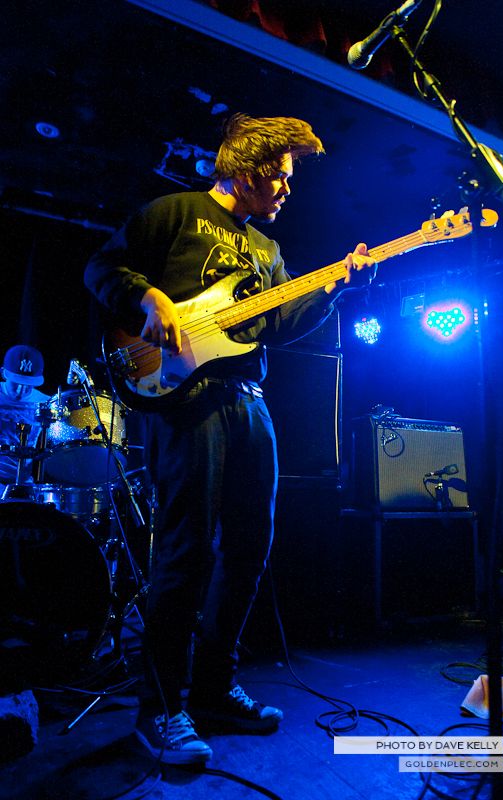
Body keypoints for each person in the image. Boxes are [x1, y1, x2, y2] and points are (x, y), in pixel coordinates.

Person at [84, 113, 377, 765]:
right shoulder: (174, 213)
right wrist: (149, 298)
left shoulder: (268, 254)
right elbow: (103, 268)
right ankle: (161, 710)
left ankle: (213, 691)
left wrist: (333, 289)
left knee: (248, 551)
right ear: (246, 172)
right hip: (182, 399)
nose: (286, 191)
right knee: (185, 554)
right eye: (279, 177)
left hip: (248, 401)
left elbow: (277, 325)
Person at [0, 345, 50, 497]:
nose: (21, 389)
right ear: (3, 373)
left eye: (28, 385)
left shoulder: (45, 403)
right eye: (16, 382)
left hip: (24, 482)